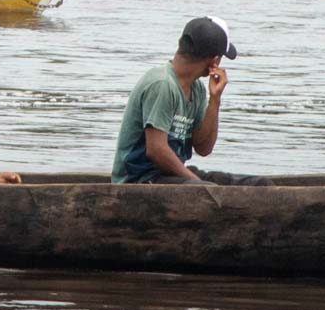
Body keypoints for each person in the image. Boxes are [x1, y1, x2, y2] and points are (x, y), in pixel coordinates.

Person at [111, 16, 263, 185]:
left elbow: (203, 148)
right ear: (215, 60)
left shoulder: (197, 89)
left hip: (170, 175)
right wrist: (200, 185)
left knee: (258, 185)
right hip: (140, 180)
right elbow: (156, 150)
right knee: (207, 191)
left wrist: (215, 100)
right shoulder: (162, 84)